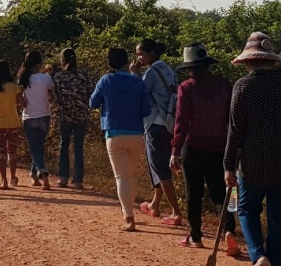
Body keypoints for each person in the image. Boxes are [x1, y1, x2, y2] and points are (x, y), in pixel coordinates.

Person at [224, 32, 281, 266]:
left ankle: (258, 256)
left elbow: (235, 131)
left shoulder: (243, 86)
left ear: (249, 62)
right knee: (280, 220)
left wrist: (227, 165)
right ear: (271, 61)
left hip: (253, 162)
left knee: (247, 210)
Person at [170, 43, 240, 254]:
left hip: (193, 147)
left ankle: (196, 236)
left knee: (194, 193)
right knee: (222, 193)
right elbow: (232, 118)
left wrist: (175, 150)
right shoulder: (225, 85)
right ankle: (228, 230)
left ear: (189, 67)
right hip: (220, 146)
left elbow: (181, 121)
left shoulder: (187, 87)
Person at [89, 47, 151, 231]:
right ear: (126, 62)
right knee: (131, 175)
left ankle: (128, 217)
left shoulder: (106, 80)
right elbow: (146, 110)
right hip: (136, 133)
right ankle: (128, 212)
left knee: (121, 177)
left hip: (114, 133)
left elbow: (92, 103)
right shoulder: (138, 82)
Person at [131, 38, 184, 226]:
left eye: (141, 54)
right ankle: (154, 204)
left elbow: (138, 92)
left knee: (160, 168)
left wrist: (135, 74)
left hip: (155, 123)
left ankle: (176, 212)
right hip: (170, 124)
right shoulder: (169, 70)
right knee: (160, 165)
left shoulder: (151, 73)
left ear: (151, 53)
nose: (139, 58)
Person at [51, 48, 92, 189]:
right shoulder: (84, 76)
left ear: (62, 60)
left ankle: (63, 178)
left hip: (64, 116)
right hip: (81, 116)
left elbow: (54, 98)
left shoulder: (58, 77)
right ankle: (78, 180)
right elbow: (90, 94)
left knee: (64, 145)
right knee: (78, 147)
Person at [18, 50, 53, 190]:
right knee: (39, 147)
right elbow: (50, 97)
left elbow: (21, 102)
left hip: (29, 116)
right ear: (39, 63)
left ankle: (42, 174)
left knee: (34, 148)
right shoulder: (46, 78)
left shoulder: (23, 79)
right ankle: (34, 175)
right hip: (45, 115)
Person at [0, 60, 22, 190]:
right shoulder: (14, 87)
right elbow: (22, 103)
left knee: (1, 153)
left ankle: (3, 180)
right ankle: (13, 177)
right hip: (13, 122)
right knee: (12, 151)